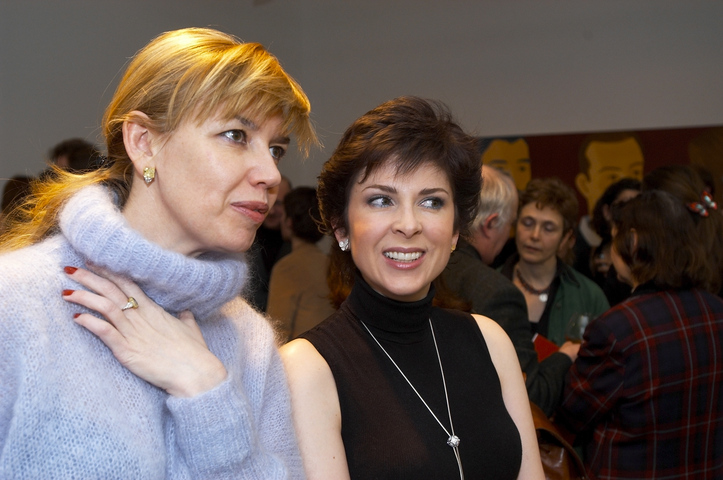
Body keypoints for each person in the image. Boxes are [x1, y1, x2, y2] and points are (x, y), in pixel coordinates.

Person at [0, 27, 316, 479]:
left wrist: (205, 388)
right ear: (144, 142)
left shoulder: (250, 340)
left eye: (276, 149)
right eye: (235, 135)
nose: (270, 174)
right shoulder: (14, 302)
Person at [280, 97, 543, 479]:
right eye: (381, 200)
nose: (408, 224)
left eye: (431, 202)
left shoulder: (490, 342)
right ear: (340, 226)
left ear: (455, 230)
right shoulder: (307, 368)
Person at [557, 190, 723, 479]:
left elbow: (572, 415)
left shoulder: (616, 329)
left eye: (614, 237)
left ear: (632, 241)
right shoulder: (717, 310)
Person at [442, 166, 575, 416]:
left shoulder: (430, 267)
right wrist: (565, 357)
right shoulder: (498, 292)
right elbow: (532, 397)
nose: (533, 236)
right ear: (491, 224)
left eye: (548, 228)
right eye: (516, 224)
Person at [500, 177, 609, 347]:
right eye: (527, 223)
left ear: (567, 238)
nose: (535, 235)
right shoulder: (490, 284)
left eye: (548, 228)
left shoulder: (589, 296)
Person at [573, 132, 644, 279]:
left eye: (636, 171)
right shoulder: (576, 249)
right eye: (611, 176)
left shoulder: (651, 250)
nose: (632, 211)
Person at [267, 186, 335, 341]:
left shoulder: (287, 268)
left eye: (283, 215)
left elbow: (278, 329)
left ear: (289, 222)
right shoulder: (332, 265)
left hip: (299, 351)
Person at [588, 178, 641, 305]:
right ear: (607, 211)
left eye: (639, 205)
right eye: (625, 204)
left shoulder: (646, 255)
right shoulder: (588, 257)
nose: (632, 211)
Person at [244, 175, 293, 311]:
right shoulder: (241, 240)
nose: (271, 211)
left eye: (278, 203)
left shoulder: (297, 247)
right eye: (266, 202)